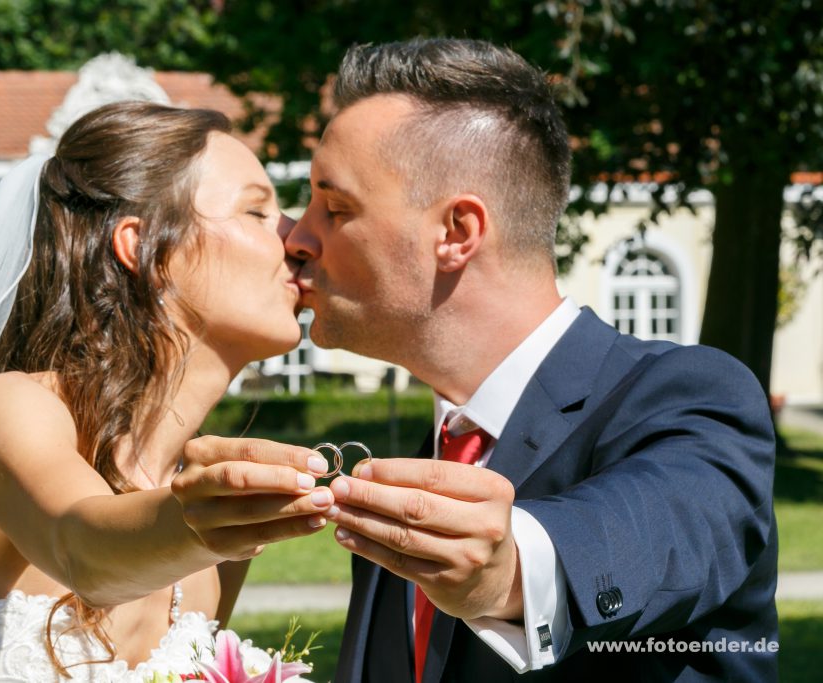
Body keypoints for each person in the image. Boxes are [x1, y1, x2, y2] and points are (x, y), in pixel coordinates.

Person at [278, 38, 776, 681]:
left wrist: (511, 568)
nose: (296, 235)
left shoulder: (691, 396)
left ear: (457, 233)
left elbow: (658, 528)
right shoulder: (404, 475)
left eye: (336, 207)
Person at [0, 101, 335, 681]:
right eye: (257, 210)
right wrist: (211, 518)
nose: (298, 236)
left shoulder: (209, 546)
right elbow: (84, 549)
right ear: (145, 246)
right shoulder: (10, 409)